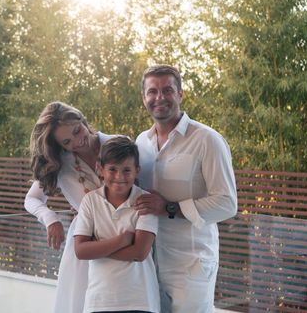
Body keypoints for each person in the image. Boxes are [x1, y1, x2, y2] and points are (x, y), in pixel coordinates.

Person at [135, 64, 237, 313]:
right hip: (149, 261)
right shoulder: (141, 142)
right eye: (152, 91)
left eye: (167, 90)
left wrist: (170, 207)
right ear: (144, 98)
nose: (159, 97)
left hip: (191, 265)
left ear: (180, 94)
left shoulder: (206, 140)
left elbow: (226, 203)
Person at [24, 101, 115, 313]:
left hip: (125, 237)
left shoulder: (117, 143)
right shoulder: (58, 163)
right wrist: (51, 219)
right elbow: (31, 199)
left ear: (82, 119)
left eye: (77, 130)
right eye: (67, 141)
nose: (77, 141)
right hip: (85, 243)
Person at [74, 136, 159, 313]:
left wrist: (97, 246)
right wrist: (123, 239)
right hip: (99, 300)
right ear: (100, 169)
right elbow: (81, 251)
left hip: (139, 301)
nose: (119, 176)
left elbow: (139, 253)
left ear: (137, 170)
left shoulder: (145, 202)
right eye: (112, 169)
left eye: (126, 170)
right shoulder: (90, 201)